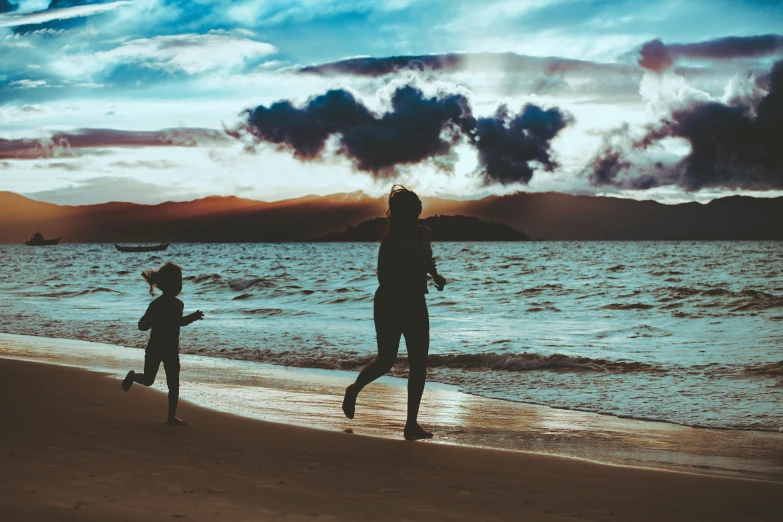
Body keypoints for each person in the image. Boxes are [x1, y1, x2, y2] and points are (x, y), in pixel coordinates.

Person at [342, 185, 447, 440]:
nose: (414, 218)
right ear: (399, 215)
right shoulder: (390, 240)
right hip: (390, 303)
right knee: (386, 362)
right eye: (409, 214)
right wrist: (411, 273)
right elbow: (383, 277)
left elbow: (426, 260)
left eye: (416, 213)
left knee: (419, 364)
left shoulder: (424, 233)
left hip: (416, 302)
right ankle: (354, 389)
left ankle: (411, 424)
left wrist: (435, 275)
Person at [121, 262, 204, 425]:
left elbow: (179, 322)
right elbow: (141, 325)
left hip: (172, 350)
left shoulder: (179, 304)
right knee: (148, 380)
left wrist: (192, 318)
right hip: (155, 348)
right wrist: (150, 321)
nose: (179, 285)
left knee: (173, 384)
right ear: (166, 284)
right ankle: (132, 376)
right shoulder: (156, 304)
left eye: (181, 282)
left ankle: (171, 416)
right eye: (176, 282)